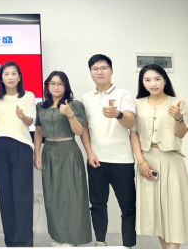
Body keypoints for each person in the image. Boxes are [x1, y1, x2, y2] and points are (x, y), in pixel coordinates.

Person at [81, 54, 136, 248]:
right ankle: (100, 242)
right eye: (95, 69)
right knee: (97, 205)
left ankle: (128, 244)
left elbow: (131, 122)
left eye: (104, 68)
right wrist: (89, 153)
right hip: (96, 159)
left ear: (111, 71)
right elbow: (84, 129)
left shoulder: (123, 94)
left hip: (122, 159)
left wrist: (117, 114)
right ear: (90, 73)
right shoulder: (86, 98)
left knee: (127, 206)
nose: (100, 72)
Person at [130, 64, 188, 249]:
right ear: (142, 83)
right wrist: (141, 161)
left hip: (171, 160)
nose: (153, 84)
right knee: (156, 213)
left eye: (157, 79)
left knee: (174, 210)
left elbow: (181, 133)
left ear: (164, 80)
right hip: (147, 161)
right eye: (147, 80)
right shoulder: (137, 104)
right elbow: (133, 133)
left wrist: (178, 117)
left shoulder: (177, 102)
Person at [34, 71, 92, 247]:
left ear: (66, 86)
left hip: (69, 151)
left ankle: (72, 239)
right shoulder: (41, 106)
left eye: (60, 83)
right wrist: (37, 153)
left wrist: (70, 114)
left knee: (72, 195)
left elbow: (79, 131)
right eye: (52, 83)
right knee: (52, 196)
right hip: (48, 151)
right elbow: (38, 131)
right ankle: (58, 237)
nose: (56, 87)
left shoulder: (75, 105)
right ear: (47, 86)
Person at [0, 61, 36, 248]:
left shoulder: (28, 96)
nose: (10, 77)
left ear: (19, 77)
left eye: (14, 73)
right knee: (5, 194)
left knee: (22, 195)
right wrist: (4, 130)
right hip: (1, 145)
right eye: (6, 74)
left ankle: (24, 242)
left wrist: (22, 116)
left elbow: (30, 121)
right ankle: (11, 242)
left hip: (22, 146)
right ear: (1, 78)